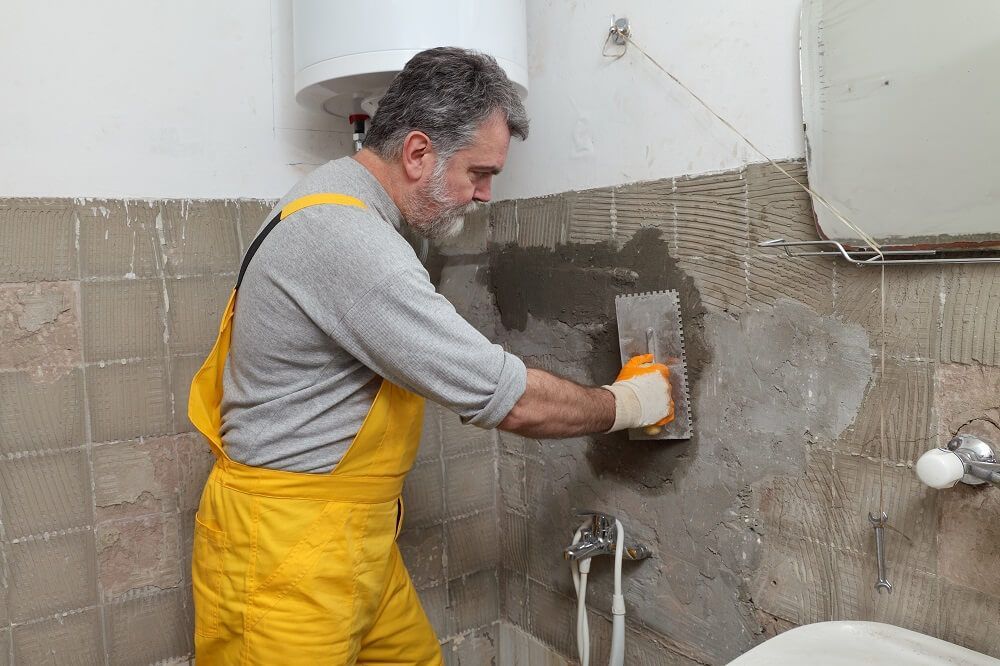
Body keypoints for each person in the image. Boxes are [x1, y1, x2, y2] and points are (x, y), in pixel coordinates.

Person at [188, 47, 673, 665]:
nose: (485, 195)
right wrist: (628, 403)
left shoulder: (340, 205)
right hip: (284, 553)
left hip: (350, 539)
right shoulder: (348, 239)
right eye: (479, 172)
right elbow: (511, 400)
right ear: (418, 153)